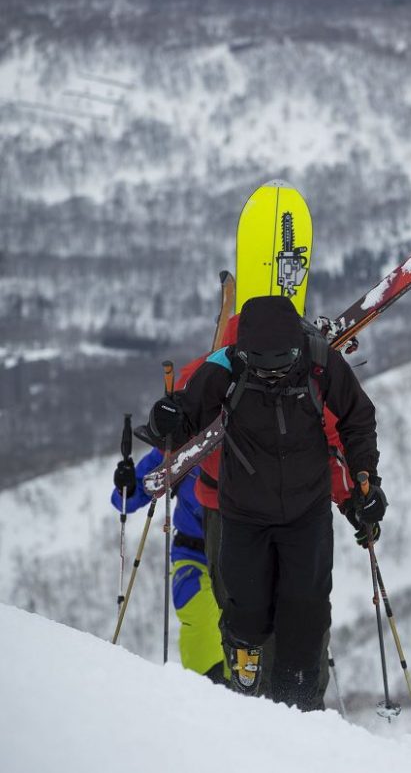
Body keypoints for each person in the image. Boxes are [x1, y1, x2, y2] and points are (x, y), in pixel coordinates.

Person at [147, 295, 386, 710]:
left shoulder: (319, 362)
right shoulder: (226, 366)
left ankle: (298, 707)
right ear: (244, 352)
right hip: (243, 513)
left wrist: (363, 486)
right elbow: (185, 417)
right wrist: (163, 419)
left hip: (305, 511)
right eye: (262, 363)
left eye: (281, 362)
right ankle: (247, 703)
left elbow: (355, 420)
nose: (272, 372)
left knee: (305, 611)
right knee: (245, 609)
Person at [110, 450, 226, 682]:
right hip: (194, 552)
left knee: (242, 628)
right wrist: (128, 485)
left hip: (246, 555)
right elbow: (125, 500)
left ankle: (243, 696)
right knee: (199, 618)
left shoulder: (254, 433)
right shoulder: (186, 439)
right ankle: (207, 690)